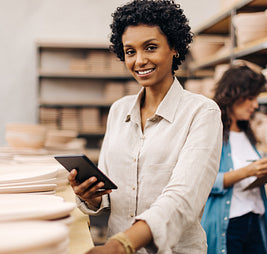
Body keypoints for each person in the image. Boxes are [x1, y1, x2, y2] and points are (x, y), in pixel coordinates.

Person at [68, 1, 223, 253]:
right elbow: (110, 195)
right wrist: (91, 195)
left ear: (174, 47)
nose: (139, 61)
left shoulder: (202, 112)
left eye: (150, 48)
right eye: (130, 51)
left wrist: (123, 244)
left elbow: (183, 197)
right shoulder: (119, 111)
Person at [201, 64, 267, 254]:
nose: (256, 105)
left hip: (255, 221)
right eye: (251, 98)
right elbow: (201, 182)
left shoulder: (246, 133)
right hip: (229, 227)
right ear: (233, 96)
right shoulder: (211, 132)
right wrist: (247, 172)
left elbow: (255, 176)